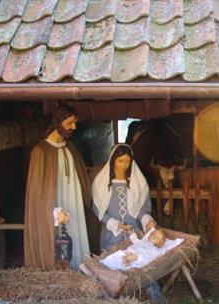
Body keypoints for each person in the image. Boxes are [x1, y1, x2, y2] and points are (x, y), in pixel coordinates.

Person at [24, 105, 91, 270]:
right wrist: (53, 212)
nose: (74, 127)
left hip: (74, 206)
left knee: (76, 236)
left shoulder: (70, 148)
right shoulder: (41, 152)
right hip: (55, 213)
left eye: (74, 123)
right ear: (58, 122)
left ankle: (79, 270)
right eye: (69, 123)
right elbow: (37, 194)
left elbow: (82, 176)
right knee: (58, 247)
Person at [92, 144, 156, 251]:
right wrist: (115, 223)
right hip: (112, 236)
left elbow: (142, 208)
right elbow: (99, 210)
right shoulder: (100, 183)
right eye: (120, 161)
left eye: (127, 162)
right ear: (113, 161)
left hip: (135, 234)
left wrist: (147, 220)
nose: (124, 165)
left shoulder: (139, 183)